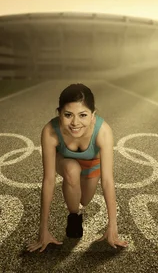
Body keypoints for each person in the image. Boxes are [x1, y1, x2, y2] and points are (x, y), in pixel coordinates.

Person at [27, 83, 128, 252]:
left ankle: (78, 207)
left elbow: (108, 181)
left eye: (82, 115)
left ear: (93, 115)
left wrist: (113, 226)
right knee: (72, 170)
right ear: (59, 113)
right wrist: (42, 230)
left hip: (91, 163)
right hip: (65, 161)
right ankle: (74, 216)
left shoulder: (103, 131)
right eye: (68, 115)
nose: (75, 123)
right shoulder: (50, 131)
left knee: (84, 200)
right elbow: (49, 180)